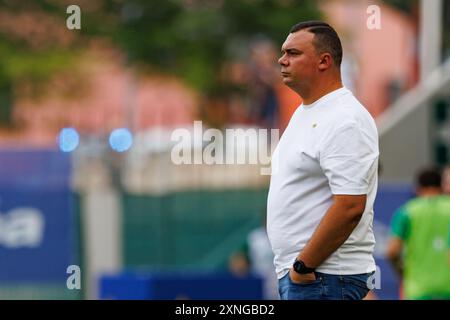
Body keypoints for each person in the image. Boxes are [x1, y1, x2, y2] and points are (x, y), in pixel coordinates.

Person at [266, 21, 379, 300]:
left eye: (293, 53)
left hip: (325, 278)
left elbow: (350, 205)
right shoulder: (309, 111)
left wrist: (303, 265)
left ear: (324, 61)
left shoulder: (344, 118)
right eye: (283, 52)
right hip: (314, 278)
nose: (282, 60)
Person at [386, 168, 450, 300]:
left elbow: (392, 251)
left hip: (417, 289)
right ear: (441, 186)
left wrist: (402, 272)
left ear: (417, 188)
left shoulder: (406, 212)